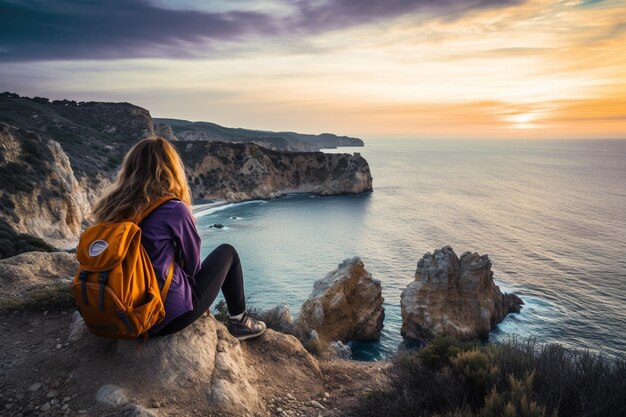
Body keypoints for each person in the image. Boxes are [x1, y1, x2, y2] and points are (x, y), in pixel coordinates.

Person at [89, 136, 266, 340]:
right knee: (228, 252)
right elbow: (192, 266)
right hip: (160, 319)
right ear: (170, 169)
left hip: (115, 310)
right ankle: (240, 321)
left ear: (130, 168)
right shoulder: (174, 208)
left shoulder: (111, 206)